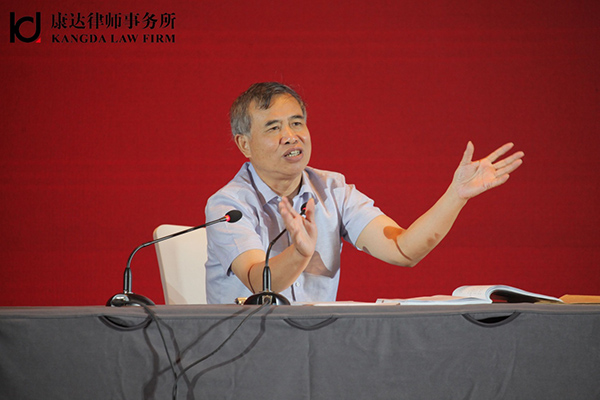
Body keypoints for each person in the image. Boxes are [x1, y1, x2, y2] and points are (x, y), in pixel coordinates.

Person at [204, 82, 524, 304]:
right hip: (245, 353)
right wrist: (300, 252)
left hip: (314, 346)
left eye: (297, 123)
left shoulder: (333, 191)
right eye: (274, 128)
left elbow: (403, 250)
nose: (290, 136)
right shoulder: (229, 205)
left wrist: (456, 195)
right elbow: (260, 282)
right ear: (244, 144)